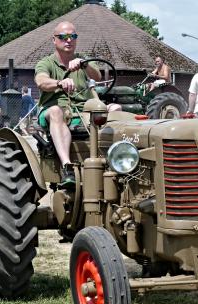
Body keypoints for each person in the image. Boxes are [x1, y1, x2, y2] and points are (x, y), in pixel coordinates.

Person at [34, 21, 120, 187]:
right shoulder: (46, 63)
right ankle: (67, 167)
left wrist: (84, 64)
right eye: (63, 37)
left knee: (116, 109)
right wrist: (60, 83)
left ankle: (116, 161)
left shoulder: (82, 60)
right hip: (54, 113)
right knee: (56, 111)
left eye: (72, 36)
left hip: (84, 112)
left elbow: (97, 76)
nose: (69, 40)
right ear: (54, 40)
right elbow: (41, 81)